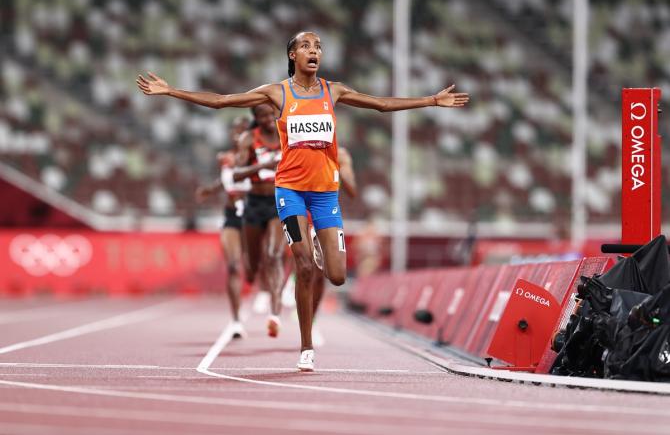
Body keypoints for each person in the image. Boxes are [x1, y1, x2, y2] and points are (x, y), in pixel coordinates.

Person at [136, 30, 469, 372]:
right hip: (290, 190)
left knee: (337, 276)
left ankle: (317, 243)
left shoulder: (332, 90)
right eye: (306, 46)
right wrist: (170, 91)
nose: (314, 51)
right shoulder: (277, 93)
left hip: (325, 193)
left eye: (319, 46)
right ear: (292, 55)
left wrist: (431, 100)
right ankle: (306, 347)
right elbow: (222, 100)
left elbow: (382, 105)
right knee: (304, 266)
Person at [232, 104, 285, 338]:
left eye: (271, 114)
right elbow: (236, 174)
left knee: (274, 255)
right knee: (252, 266)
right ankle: (257, 282)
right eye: (262, 116)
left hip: (278, 201)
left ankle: (275, 314)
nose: (267, 119)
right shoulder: (248, 139)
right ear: (256, 118)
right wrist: (263, 165)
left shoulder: (287, 134)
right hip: (254, 202)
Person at [195, 116, 251, 339]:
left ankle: (272, 298)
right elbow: (227, 181)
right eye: (236, 130)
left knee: (258, 265)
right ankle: (236, 320)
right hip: (231, 217)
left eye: (243, 130)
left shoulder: (259, 156)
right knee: (233, 266)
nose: (238, 135)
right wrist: (211, 189)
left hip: (255, 217)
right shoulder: (226, 158)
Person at [309, 146, 357, 347]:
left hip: (325, 212)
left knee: (322, 273)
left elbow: (352, 191)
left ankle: (311, 322)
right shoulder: (299, 144)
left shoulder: (341, 154)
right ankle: (291, 283)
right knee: (303, 264)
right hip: (300, 207)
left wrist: (335, 164)